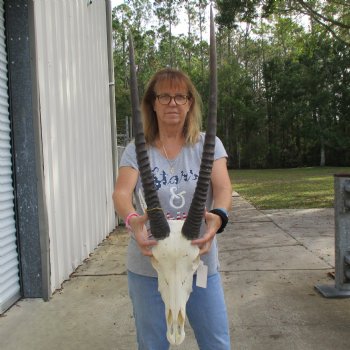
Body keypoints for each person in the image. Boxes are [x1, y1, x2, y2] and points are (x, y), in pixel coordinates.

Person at [112, 68, 232, 350]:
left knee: (216, 342)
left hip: (198, 259)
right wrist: (132, 220)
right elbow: (121, 192)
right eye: (164, 96)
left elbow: (224, 189)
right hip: (150, 265)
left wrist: (219, 217)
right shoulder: (136, 149)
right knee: (153, 344)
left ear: (190, 102)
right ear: (152, 103)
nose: (172, 103)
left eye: (180, 96)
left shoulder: (208, 145)